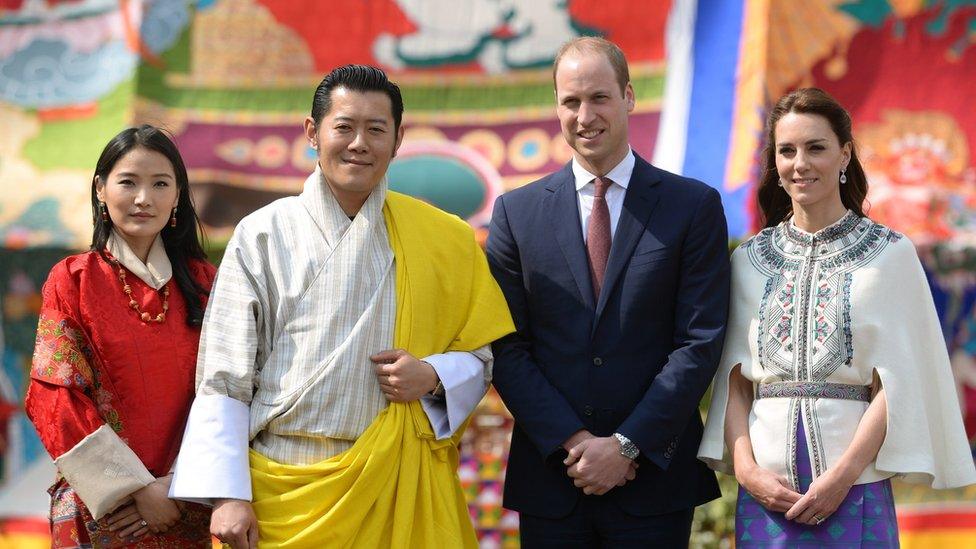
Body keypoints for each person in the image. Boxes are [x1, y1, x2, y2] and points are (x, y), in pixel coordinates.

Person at [169, 64, 514, 548]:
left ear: (397, 141)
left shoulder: (444, 240)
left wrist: (433, 376)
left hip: (393, 481)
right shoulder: (263, 234)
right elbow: (224, 373)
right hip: (283, 488)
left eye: (376, 130)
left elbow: (484, 354)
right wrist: (227, 493)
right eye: (344, 127)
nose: (360, 143)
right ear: (313, 133)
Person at [698, 87, 976, 547]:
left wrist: (843, 476)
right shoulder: (747, 259)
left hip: (854, 481)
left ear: (845, 153)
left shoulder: (891, 254)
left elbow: (898, 380)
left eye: (816, 147)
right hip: (768, 491)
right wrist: (746, 471)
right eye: (787, 151)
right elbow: (735, 380)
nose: (800, 163)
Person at [486, 37, 730, 546]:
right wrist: (573, 442)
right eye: (570, 101)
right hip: (555, 478)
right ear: (556, 106)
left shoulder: (691, 207)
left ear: (629, 97)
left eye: (599, 97)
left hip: (655, 485)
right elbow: (506, 347)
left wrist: (626, 446)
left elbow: (699, 342)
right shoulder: (517, 214)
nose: (584, 115)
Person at [26, 125, 216, 547]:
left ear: (178, 197)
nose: (143, 198)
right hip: (102, 509)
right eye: (128, 182)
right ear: (100, 189)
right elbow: (54, 397)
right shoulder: (72, 281)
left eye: (160, 184)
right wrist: (133, 489)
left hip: (183, 502)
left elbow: (231, 390)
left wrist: (176, 486)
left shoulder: (208, 284)